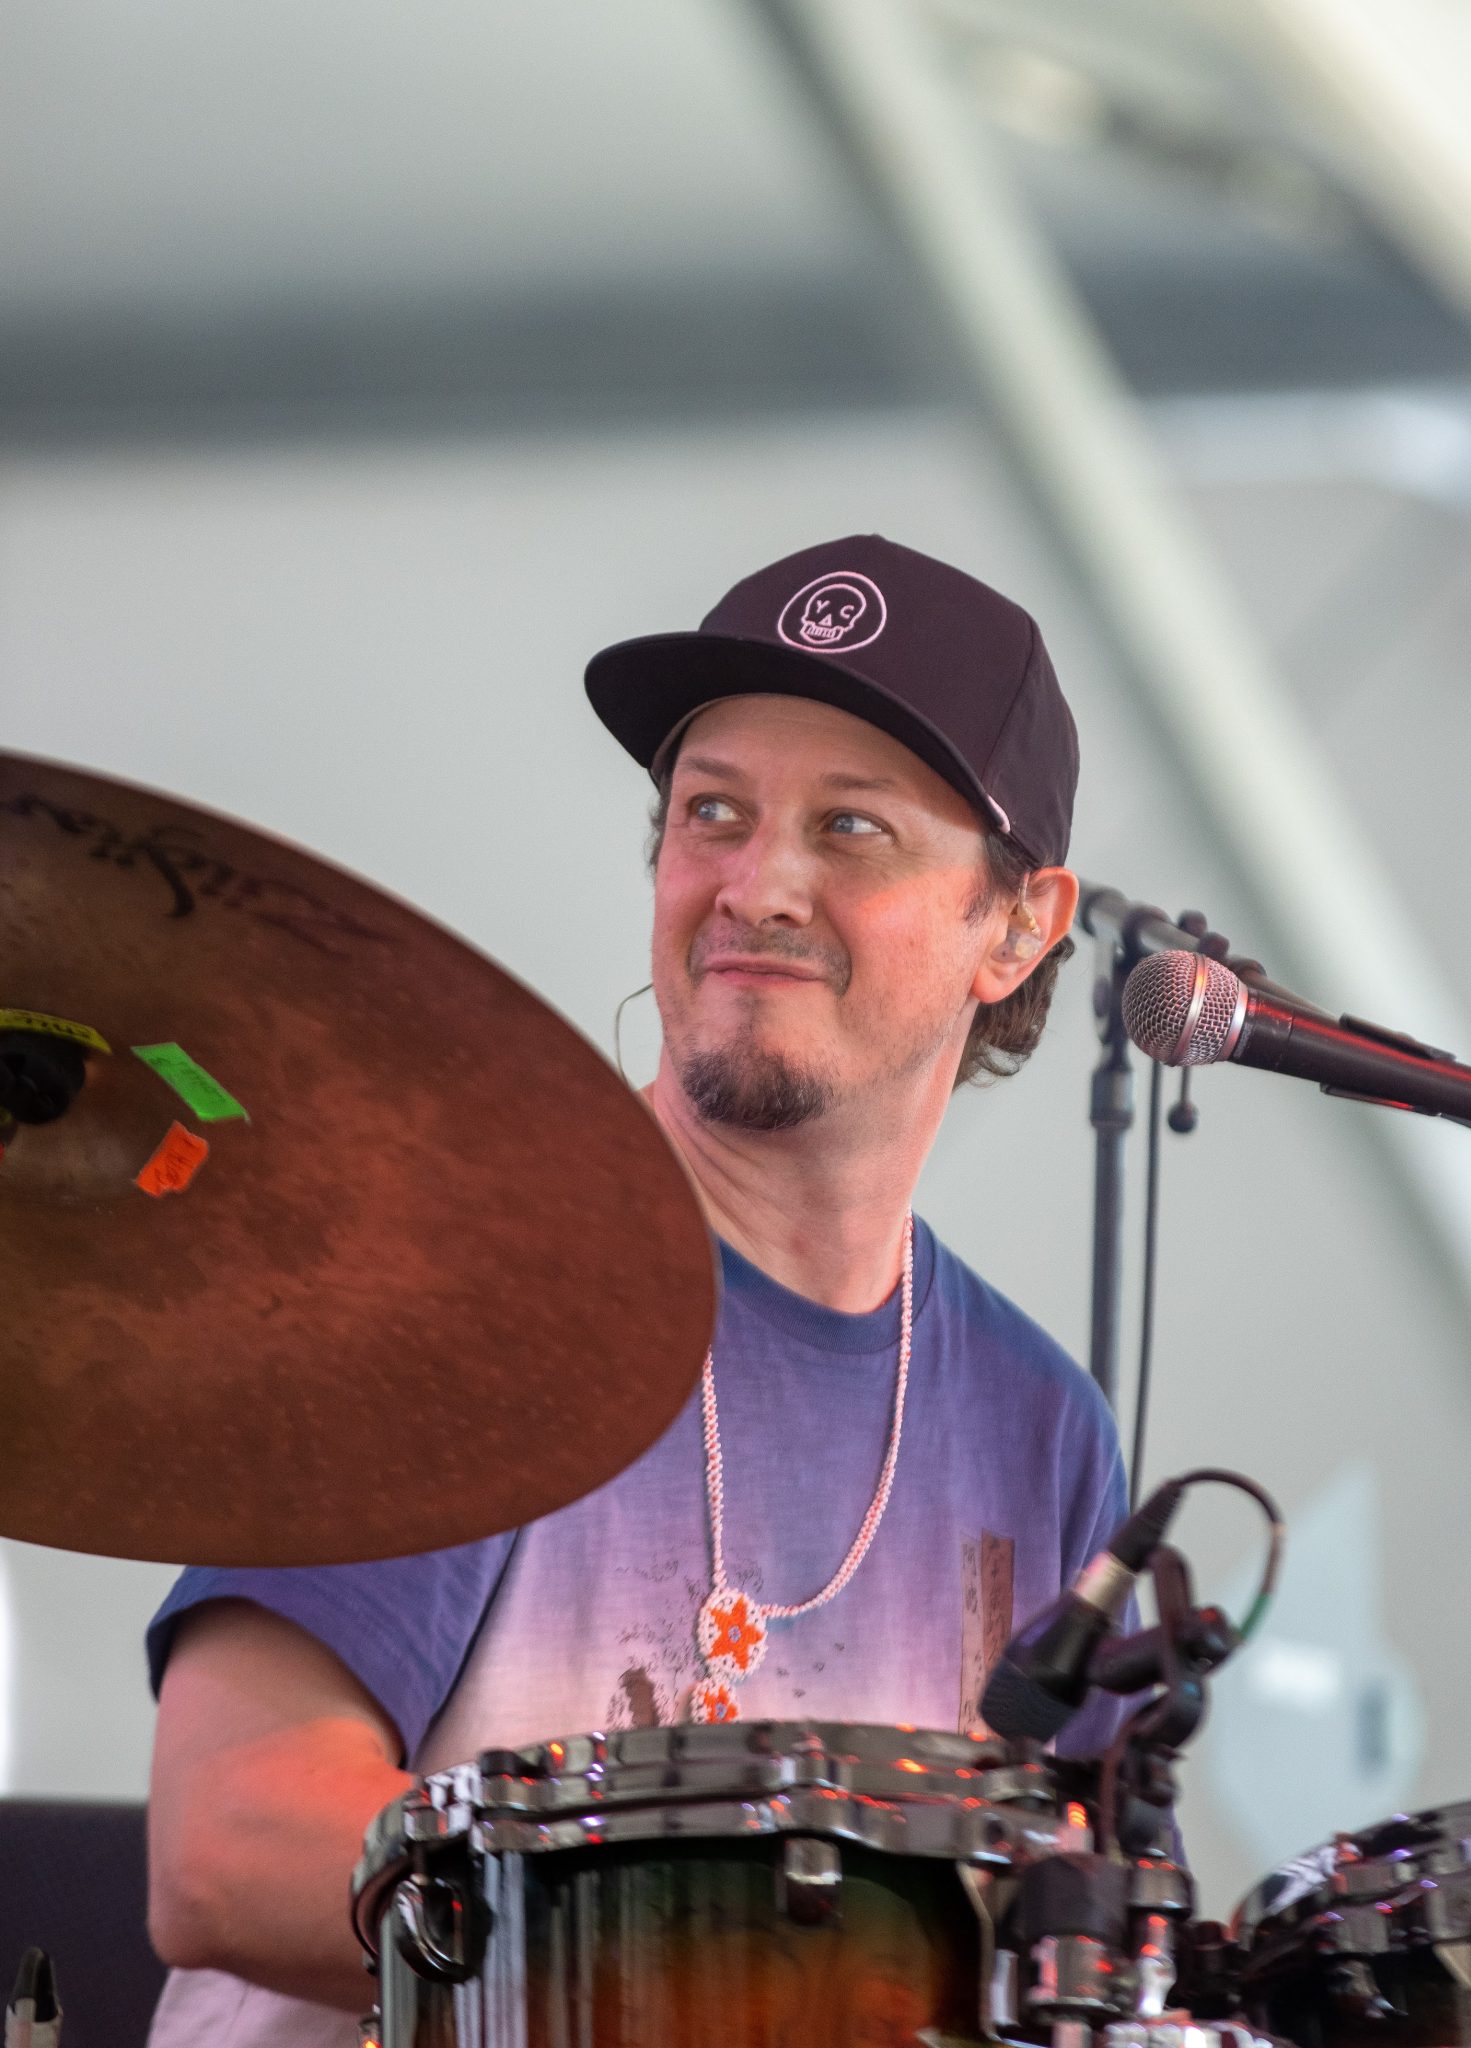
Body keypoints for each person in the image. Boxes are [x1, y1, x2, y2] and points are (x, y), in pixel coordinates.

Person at [143, 533, 1126, 2046]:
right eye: (711, 813)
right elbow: (230, 1845)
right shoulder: (465, 1286)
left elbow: (1082, 1939)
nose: (755, 885)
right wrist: (721, 1979)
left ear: (1018, 923)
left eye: (849, 829)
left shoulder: (1035, 1427)